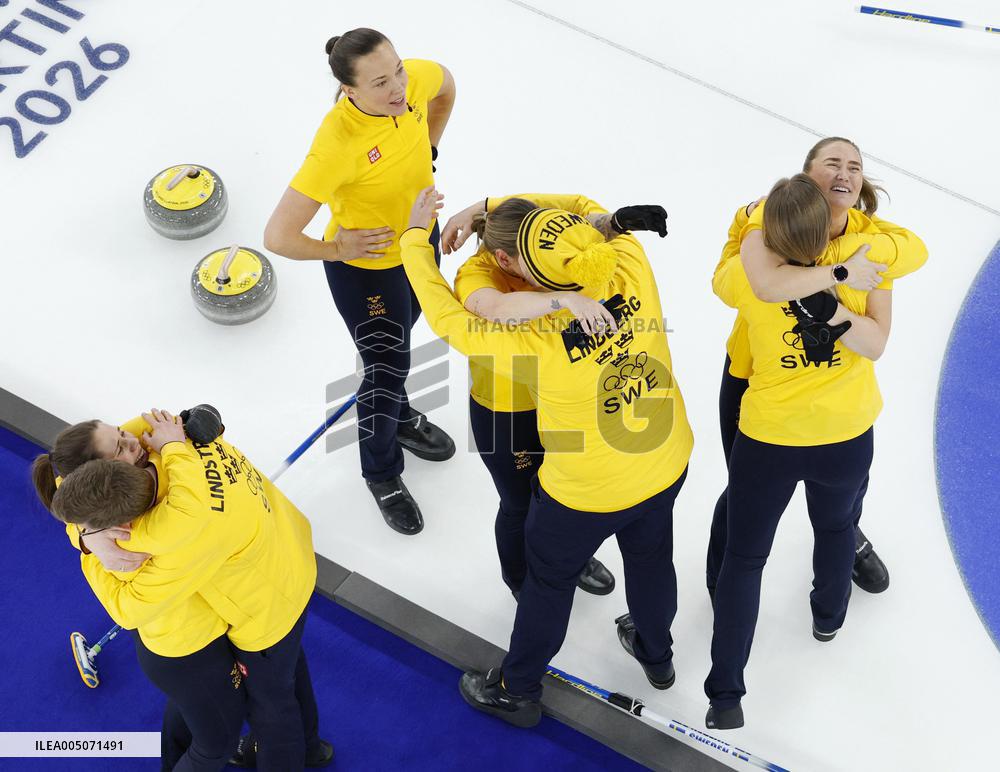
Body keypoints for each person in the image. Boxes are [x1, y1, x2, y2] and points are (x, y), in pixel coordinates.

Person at [403, 186, 692, 727]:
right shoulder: (630, 261)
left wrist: (418, 239)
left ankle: (518, 689)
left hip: (586, 493)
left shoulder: (534, 333)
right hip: (665, 460)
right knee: (652, 560)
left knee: (547, 583)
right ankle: (658, 659)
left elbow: (447, 316)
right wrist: (492, 209)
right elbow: (582, 207)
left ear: (517, 266)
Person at [704, 173, 923, 730]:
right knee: (835, 532)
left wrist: (750, 227)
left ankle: (726, 692)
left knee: (745, 559)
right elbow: (876, 344)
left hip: (769, 440)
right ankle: (827, 619)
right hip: (844, 438)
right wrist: (835, 305)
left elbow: (730, 265)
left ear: (770, 235)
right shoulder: (867, 266)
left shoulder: (748, 279)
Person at [34, 410, 332, 769]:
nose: (134, 439)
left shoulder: (159, 537)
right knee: (286, 674)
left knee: (271, 708)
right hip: (287, 553)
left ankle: (296, 754)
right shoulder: (169, 442)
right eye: (120, 445)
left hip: (265, 610)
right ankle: (310, 748)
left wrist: (89, 541)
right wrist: (86, 533)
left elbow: (127, 610)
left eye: (122, 437)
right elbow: (80, 484)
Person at [263, 28, 457, 536]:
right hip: (366, 270)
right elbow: (278, 236)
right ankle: (382, 473)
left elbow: (447, 85)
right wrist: (338, 248)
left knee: (404, 340)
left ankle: (399, 413)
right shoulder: (337, 144)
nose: (397, 87)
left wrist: (430, 150)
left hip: (419, 239)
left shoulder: (411, 83)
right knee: (387, 369)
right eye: (379, 82)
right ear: (349, 91)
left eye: (397, 70)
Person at [443, 193, 668, 598]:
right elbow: (494, 307)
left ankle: (570, 557)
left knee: (558, 500)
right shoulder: (476, 274)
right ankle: (518, 580)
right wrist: (564, 299)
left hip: (558, 403)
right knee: (519, 502)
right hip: (508, 410)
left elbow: (580, 208)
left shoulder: (546, 246)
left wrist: (482, 204)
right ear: (504, 260)